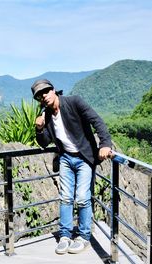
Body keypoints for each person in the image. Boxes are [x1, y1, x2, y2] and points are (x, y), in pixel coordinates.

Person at [31, 79, 112, 254]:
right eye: (39, 96)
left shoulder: (74, 102)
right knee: (66, 198)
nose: (43, 97)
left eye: (45, 92)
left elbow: (97, 121)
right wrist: (39, 129)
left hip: (84, 157)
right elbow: (44, 142)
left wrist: (105, 144)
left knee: (82, 197)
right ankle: (65, 236)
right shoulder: (46, 115)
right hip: (66, 158)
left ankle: (84, 236)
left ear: (53, 90)